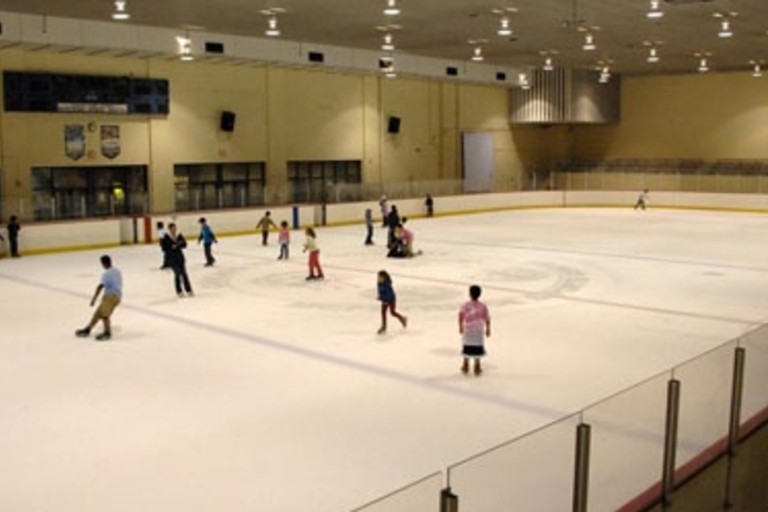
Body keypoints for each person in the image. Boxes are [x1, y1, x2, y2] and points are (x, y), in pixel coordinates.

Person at [75, 255, 122, 341]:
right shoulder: (117, 271)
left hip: (111, 296)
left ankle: (107, 332)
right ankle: (88, 329)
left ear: (103, 263)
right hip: (116, 295)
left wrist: (94, 299)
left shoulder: (106, 274)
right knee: (97, 314)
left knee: (105, 314)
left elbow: (100, 286)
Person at [459, 284, 491, 376]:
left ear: (470, 294)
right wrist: (488, 329)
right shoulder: (483, 306)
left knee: (467, 347)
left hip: (468, 330)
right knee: (477, 347)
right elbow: (487, 318)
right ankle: (477, 365)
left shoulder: (466, 305)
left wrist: (460, 326)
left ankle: (465, 364)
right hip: (478, 330)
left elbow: (460, 315)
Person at [162, 223, 194, 297]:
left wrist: (179, 244)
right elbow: (164, 248)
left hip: (180, 257)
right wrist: (171, 247)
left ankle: (188, 289)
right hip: (171, 259)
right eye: (172, 229)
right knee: (177, 273)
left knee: (184, 274)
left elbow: (185, 244)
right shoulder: (166, 237)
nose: (174, 230)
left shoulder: (179, 236)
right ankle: (179, 291)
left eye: (175, 228)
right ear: (169, 229)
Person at [376, 270, 407, 334]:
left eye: (380, 277)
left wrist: (385, 299)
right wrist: (380, 296)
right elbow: (380, 291)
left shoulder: (387, 285)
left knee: (392, 312)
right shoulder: (379, 284)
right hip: (384, 300)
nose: (378, 278)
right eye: (378, 277)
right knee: (383, 313)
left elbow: (389, 294)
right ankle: (384, 326)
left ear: (384, 278)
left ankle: (402, 318)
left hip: (391, 299)